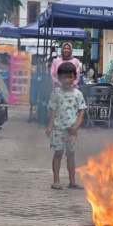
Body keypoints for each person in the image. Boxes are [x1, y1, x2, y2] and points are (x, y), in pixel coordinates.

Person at [46, 62, 86, 190]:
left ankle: (72, 181)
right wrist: (50, 126)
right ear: (59, 78)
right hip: (58, 129)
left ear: (75, 77)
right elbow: (52, 109)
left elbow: (82, 110)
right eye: (64, 77)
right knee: (58, 153)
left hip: (72, 131)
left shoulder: (78, 94)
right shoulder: (56, 93)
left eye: (70, 77)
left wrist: (77, 125)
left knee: (71, 155)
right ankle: (56, 181)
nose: (67, 80)